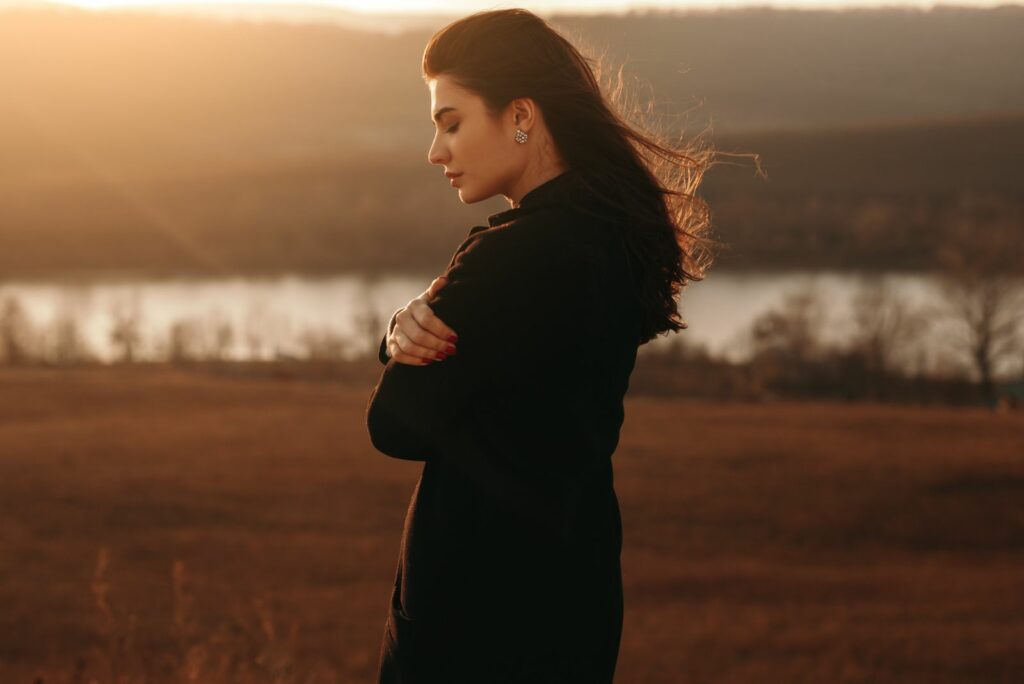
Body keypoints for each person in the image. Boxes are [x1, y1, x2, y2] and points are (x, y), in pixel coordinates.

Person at [366, 8, 718, 682]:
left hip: (473, 619)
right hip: (576, 596)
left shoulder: (509, 258)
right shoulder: (615, 239)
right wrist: (400, 330)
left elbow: (393, 424)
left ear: (521, 115)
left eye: (452, 123)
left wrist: (401, 336)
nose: (436, 152)